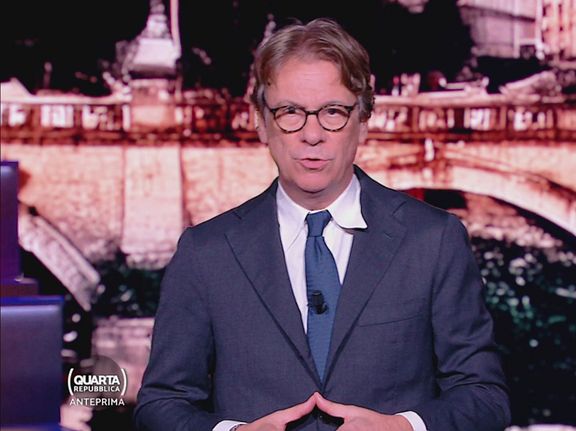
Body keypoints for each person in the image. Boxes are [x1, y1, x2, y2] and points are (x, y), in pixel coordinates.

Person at [135, 18, 510, 431]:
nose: (311, 135)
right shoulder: (206, 252)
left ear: (363, 120)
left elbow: (485, 398)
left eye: (333, 112)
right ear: (260, 122)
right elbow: (161, 404)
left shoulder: (434, 241)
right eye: (290, 112)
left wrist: (403, 427)